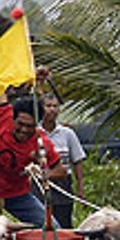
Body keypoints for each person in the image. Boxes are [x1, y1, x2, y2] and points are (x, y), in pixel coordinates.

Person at [0, 77, 66, 230]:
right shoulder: (3, 115)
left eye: (29, 126)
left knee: (53, 229)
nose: (24, 130)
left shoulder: (41, 142)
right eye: (20, 124)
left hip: (17, 194)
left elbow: (61, 171)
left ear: (36, 125)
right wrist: (26, 77)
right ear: (13, 118)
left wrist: (44, 174)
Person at [38, 93, 86, 229]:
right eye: (48, 106)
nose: (52, 109)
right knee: (42, 222)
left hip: (63, 184)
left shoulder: (67, 133)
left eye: (55, 106)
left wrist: (80, 187)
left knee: (64, 221)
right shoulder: (35, 133)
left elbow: (77, 160)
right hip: (41, 184)